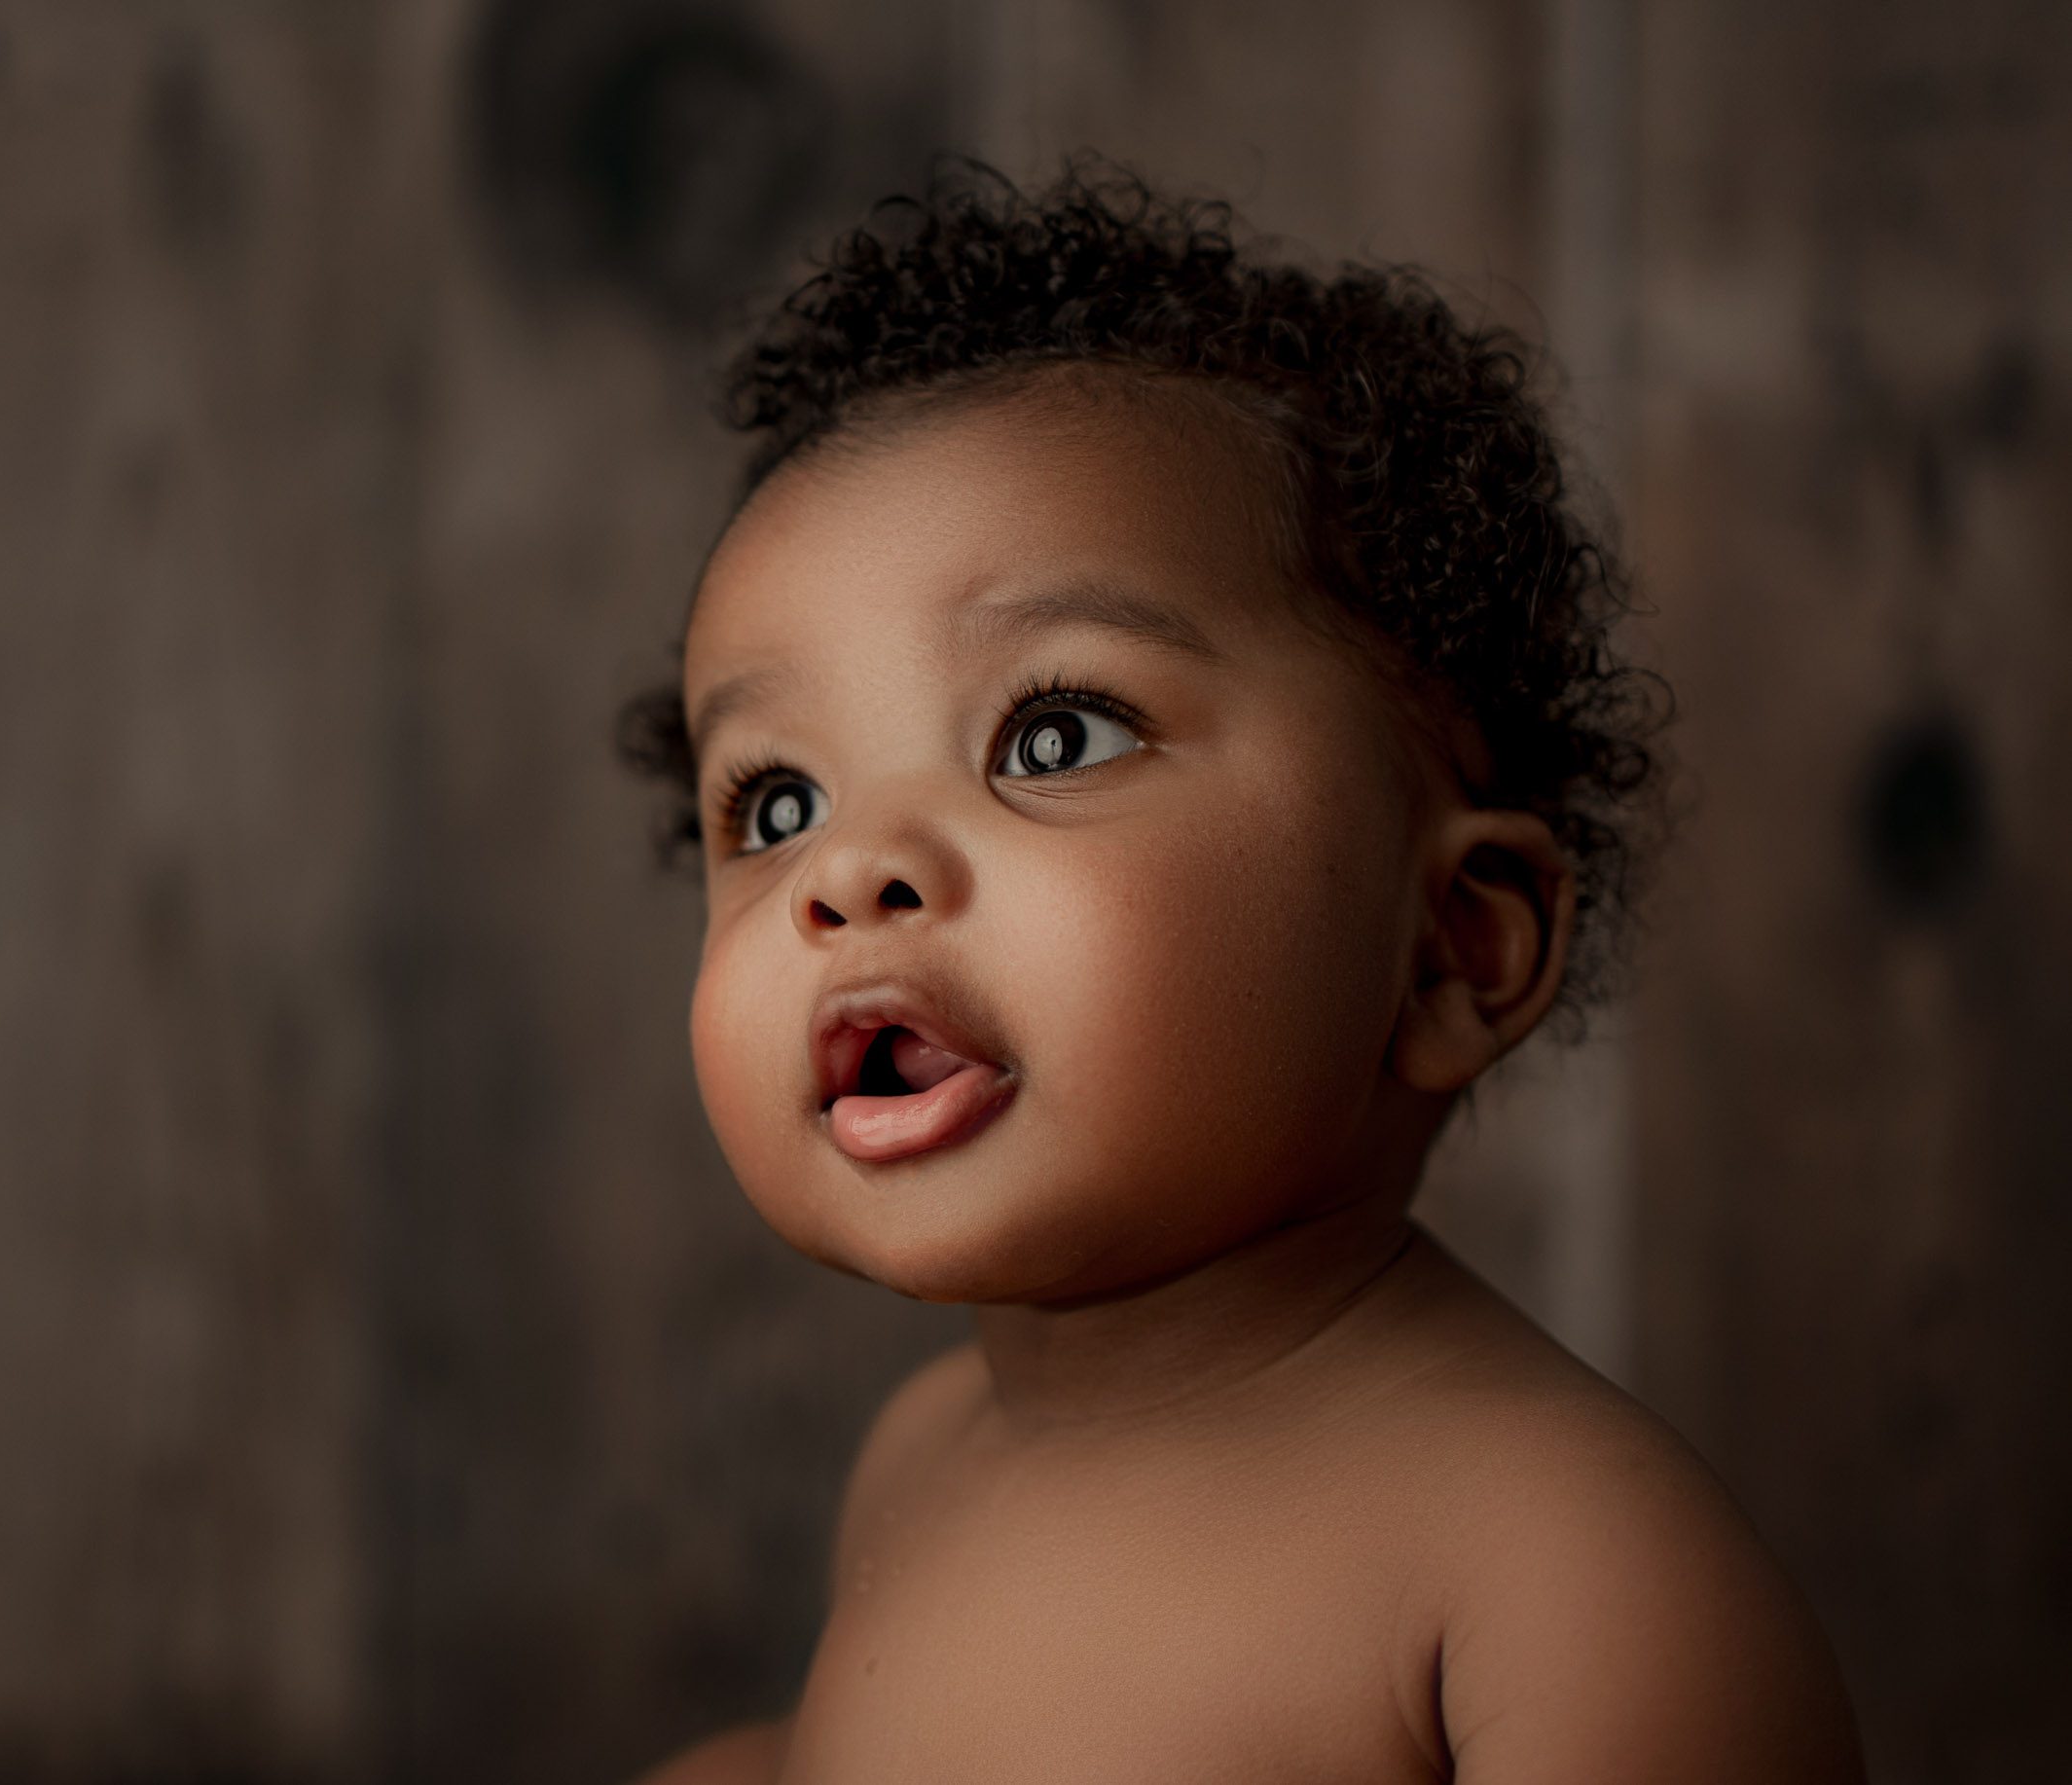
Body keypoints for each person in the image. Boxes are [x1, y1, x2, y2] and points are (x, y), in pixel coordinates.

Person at [616, 158, 1865, 1783]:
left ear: (1452, 948)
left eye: (1050, 733)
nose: (851, 871)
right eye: (776, 802)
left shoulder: (1561, 1579)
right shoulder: (923, 1455)